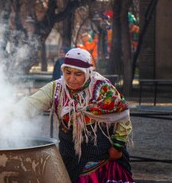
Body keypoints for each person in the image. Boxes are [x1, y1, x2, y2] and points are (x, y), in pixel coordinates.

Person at [16, 48, 134, 182]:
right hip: (68, 151)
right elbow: (31, 104)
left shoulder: (103, 89)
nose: (71, 79)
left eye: (78, 74)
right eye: (68, 72)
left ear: (88, 72)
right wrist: (5, 118)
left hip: (99, 158)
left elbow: (123, 116)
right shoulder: (57, 88)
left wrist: (118, 146)